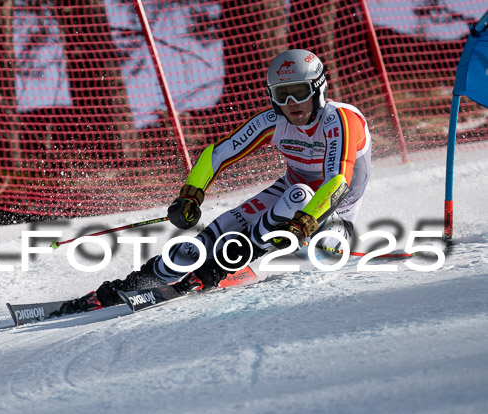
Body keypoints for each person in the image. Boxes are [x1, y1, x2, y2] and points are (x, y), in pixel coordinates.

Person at [60, 48, 371, 314]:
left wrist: (303, 223)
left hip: (330, 224)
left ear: (318, 89)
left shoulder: (341, 120)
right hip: (290, 209)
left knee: (300, 196)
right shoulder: (274, 120)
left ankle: (222, 267)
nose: (291, 103)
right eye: (281, 94)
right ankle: (134, 284)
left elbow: (337, 182)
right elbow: (215, 154)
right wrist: (190, 195)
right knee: (213, 233)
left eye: (299, 92)